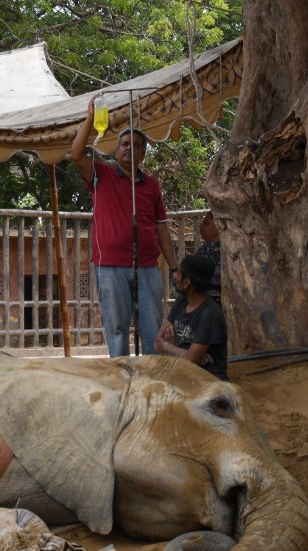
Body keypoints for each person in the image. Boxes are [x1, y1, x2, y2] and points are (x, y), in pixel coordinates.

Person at [71, 99, 176, 357]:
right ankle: (122, 377)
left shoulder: (151, 185)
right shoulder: (102, 175)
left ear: (143, 154)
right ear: (117, 151)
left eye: (136, 146)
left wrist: (174, 267)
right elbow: (75, 155)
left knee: (152, 328)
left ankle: (152, 380)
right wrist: (90, 119)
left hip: (147, 265)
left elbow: (162, 229)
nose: (130, 148)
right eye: (125, 144)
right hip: (110, 265)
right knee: (116, 327)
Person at [155, 254, 228, 380]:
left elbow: (189, 363)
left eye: (178, 272)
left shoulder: (209, 314)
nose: (174, 276)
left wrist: (170, 349)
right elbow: (157, 342)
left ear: (187, 282)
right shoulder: (181, 301)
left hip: (206, 380)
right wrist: (183, 352)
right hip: (184, 374)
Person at [196, 211, 222, 306]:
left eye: (206, 223)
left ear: (219, 226)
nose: (201, 226)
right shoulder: (204, 250)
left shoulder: (220, 250)